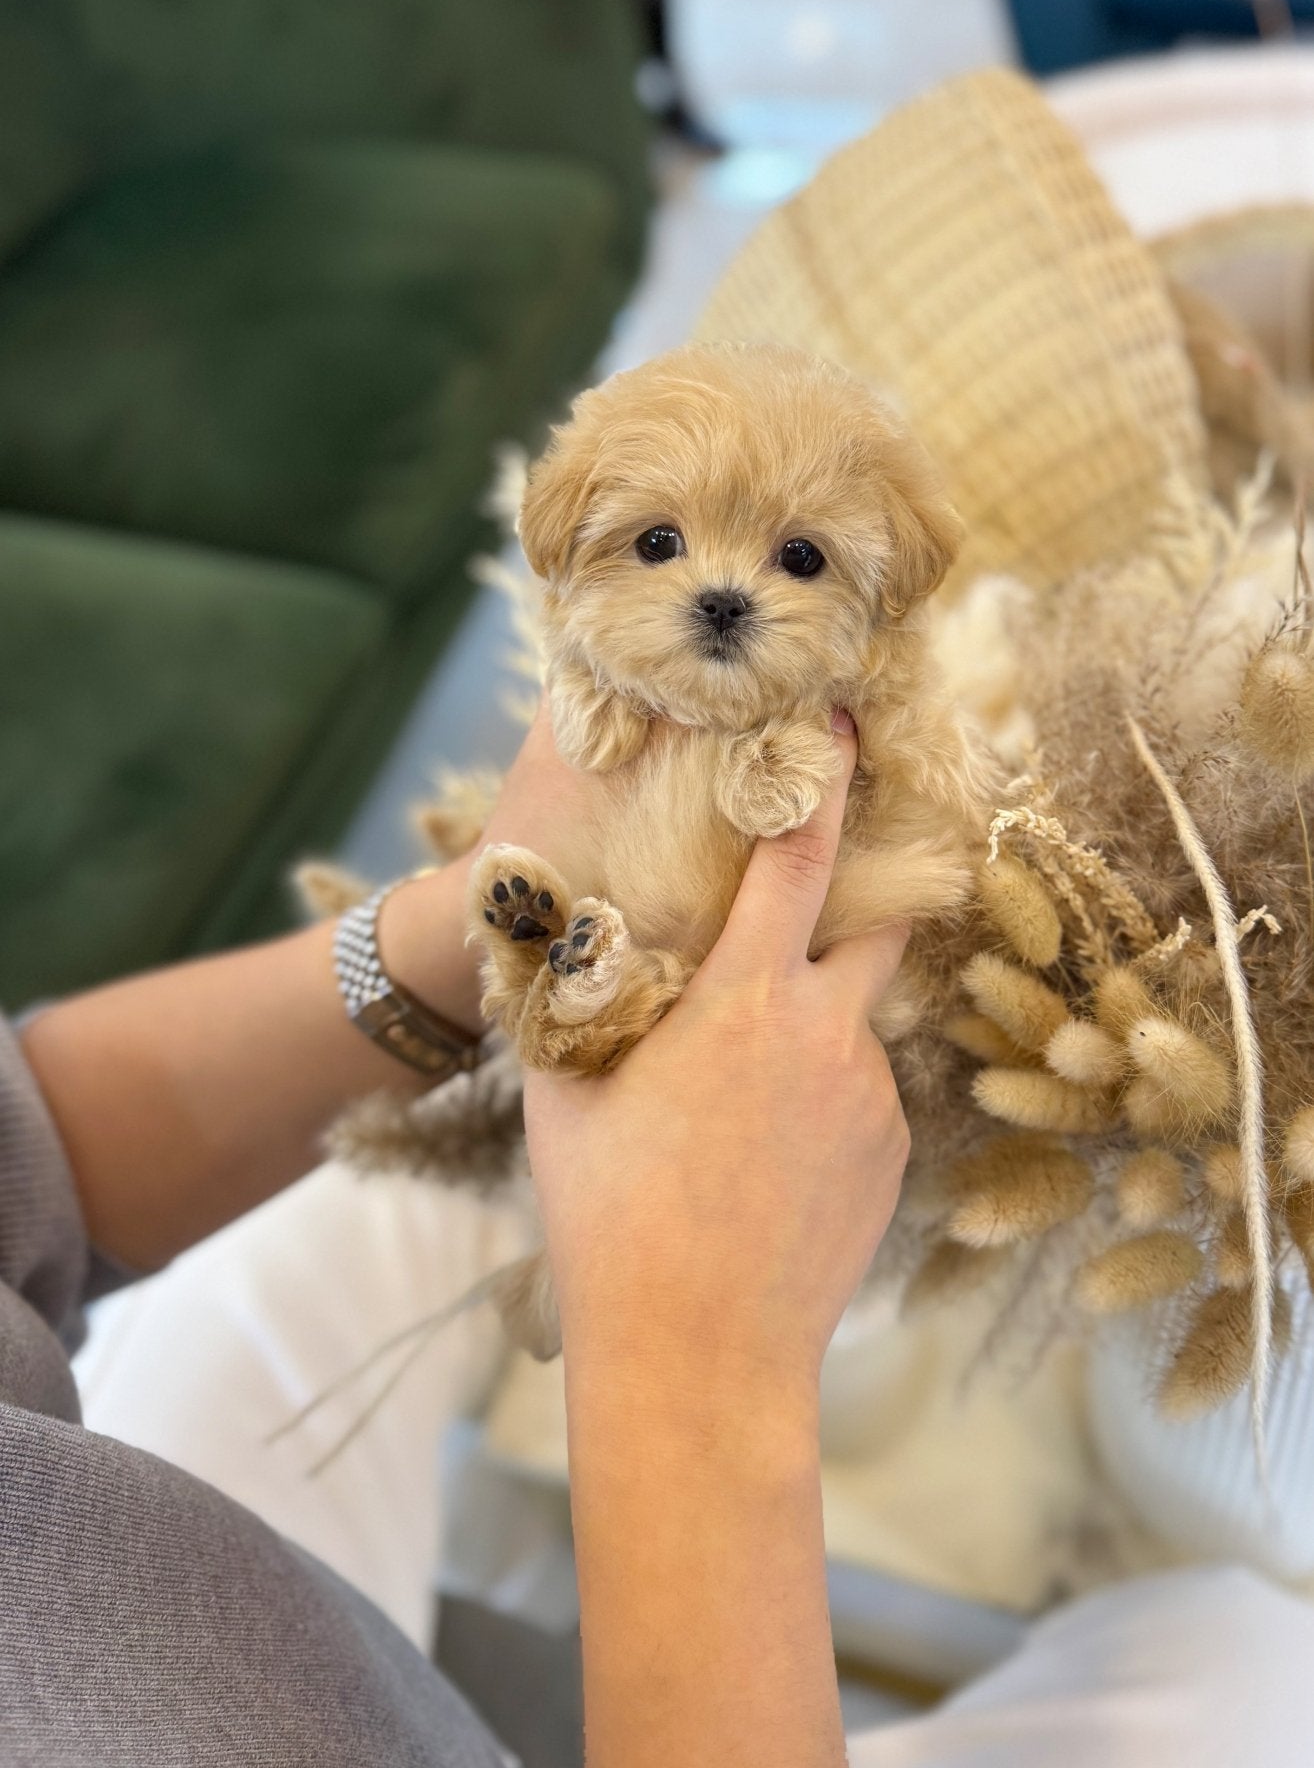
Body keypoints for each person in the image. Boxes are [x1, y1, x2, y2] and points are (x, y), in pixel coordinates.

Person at [3, 708, 1311, 1766]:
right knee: (1266, 1682)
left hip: (188, 1617)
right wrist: (698, 1355)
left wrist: (456, 939)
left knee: (429, 1149)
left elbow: (34, 1153)